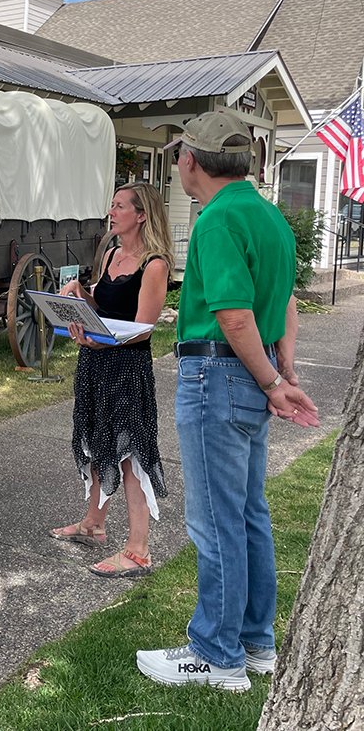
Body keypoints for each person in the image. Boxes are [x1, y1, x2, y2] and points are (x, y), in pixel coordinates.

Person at [136, 112, 319, 691]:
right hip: (254, 368)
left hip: (218, 374)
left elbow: (234, 314)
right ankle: (255, 642)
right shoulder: (271, 217)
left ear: (191, 160)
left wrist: (271, 383)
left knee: (215, 521)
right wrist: (281, 371)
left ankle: (216, 655)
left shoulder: (215, 220)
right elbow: (283, 306)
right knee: (247, 514)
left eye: (179, 154)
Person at [49, 182, 172, 577]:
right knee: (96, 440)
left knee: (130, 453)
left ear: (141, 215)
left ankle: (139, 550)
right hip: (95, 362)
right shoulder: (113, 254)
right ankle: (93, 525)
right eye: (112, 205)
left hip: (127, 366)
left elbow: (143, 329)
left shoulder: (154, 264)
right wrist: (77, 296)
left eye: (120, 206)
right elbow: (101, 307)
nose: (112, 212)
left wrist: (102, 343)